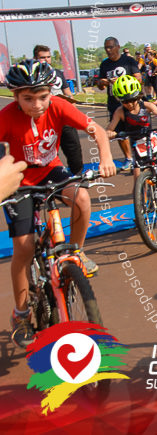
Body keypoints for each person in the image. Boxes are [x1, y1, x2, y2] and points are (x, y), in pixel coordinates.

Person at [3, 60, 116, 348]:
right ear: (15, 96)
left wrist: (106, 158)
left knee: (82, 197)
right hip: (18, 180)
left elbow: (98, 131)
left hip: (51, 170)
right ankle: (21, 313)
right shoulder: (5, 117)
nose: (37, 105)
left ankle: (76, 253)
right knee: (24, 247)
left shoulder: (58, 105)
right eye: (28, 99)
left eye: (42, 97)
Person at [32, 45, 83, 175]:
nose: (46, 60)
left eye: (48, 57)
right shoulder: (32, 76)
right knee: (48, 154)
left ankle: (77, 178)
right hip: (44, 121)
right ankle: (54, 180)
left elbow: (68, 93)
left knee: (74, 150)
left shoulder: (58, 74)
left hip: (63, 118)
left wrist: (70, 102)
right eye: (42, 57)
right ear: (35, 59)